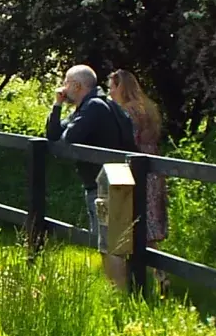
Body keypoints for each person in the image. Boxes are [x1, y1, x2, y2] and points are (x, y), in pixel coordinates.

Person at [45, 64, 134, 246]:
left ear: (77, 86)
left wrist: (69, 129)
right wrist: (57, 104)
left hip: (106, 188)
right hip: (100, 186)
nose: (63, 87)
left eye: (66, 83)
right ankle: (116, 275)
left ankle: (119, 276)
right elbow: (53, 134)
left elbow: (67, 138)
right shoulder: (87, 106)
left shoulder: (94, 106)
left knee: (110, 246)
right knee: (106, 244)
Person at [108, 69, 169, 243]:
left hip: (137, 164)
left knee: (138, 214)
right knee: (151, 214)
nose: (110, 92)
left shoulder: (128, 112)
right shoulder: (147, 108)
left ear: (121, 88)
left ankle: (140, 267)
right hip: (153, 163)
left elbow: (129, 139)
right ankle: (157, 269)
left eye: (112, 87)